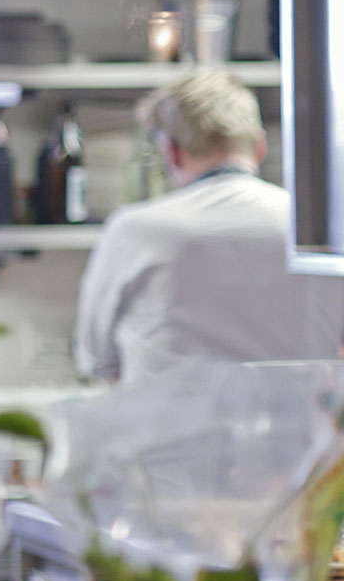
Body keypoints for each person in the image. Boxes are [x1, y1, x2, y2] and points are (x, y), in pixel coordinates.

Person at [74, 70, 344, 383]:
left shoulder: (134, 231)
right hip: (302, 415)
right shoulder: (322, 227)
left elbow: (95, 360)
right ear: (259, 146)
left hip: (167, 415)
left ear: (173, 152)